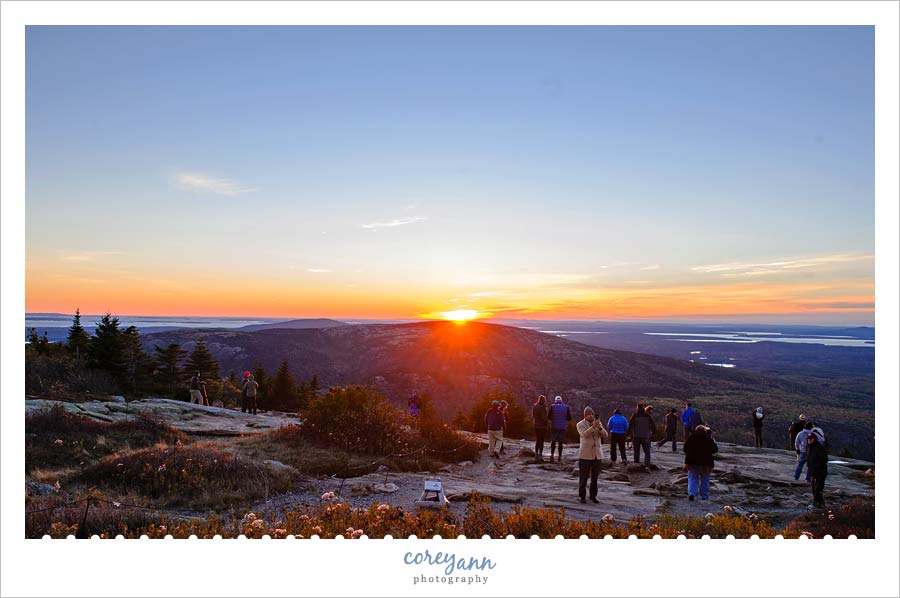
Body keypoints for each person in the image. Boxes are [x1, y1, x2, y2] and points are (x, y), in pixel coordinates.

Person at [576, 407, 609, 504]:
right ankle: (582, 496)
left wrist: (599, 428)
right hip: (585, 454)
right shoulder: (580, 424)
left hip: (597, 454)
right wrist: (593, 427)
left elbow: (605, 435)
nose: (591, 415)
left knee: (595, 477)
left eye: (592, 414)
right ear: (585, 415)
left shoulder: (598, 423)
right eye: (588, 414)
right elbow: (584, 435)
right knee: (584, 477)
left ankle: (593, 495)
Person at [683, 424, 719, 501]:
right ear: (704, 431)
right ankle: (704, 496)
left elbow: (685, 449)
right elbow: (715, 449)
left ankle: (692, 493)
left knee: (692, 477)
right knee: (705, 479)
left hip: (692, 462)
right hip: (706, 463)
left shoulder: (691, 438)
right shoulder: (708, 439)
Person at [806, 432, 828, 507]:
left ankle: (816, 504)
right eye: (808, 439)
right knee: (814, 489)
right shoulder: (810, 448)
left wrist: (816, 467)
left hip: (820, 472)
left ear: (814, 439)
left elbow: (824, 459)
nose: (809, 440)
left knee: (817, 489)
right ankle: (820, 504)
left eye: (810, 439)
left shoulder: (819, 448)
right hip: (813, 472)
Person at [548, 396, 572, 462]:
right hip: (562, 427)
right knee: (560, 442)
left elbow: (549, 417)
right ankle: (559, 456)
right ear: (562, 400)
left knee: (553, 441)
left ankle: (552, 455)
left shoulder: (552, 406)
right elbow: (569, 418)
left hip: (554, 426)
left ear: (555, 400)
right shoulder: (566, 407)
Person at [532, 395, 550, 461]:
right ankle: (540, 453)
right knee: (542, 440)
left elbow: (533, 415)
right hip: (542, 426)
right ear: (543, 400)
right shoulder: (543, 407)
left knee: (537, 439)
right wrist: (546, 423)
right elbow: (544, 417)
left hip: (536, 425)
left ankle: (536, 452)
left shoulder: (534, 406)